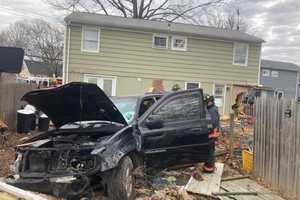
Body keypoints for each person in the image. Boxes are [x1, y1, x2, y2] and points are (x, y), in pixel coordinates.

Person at [203, 94, 220, 173]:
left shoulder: (212, 110)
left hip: (212, 133)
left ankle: (209, 168)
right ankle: (208, 166)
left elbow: (213, 123)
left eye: (207, 102)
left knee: (210, 150)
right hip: (212, 133)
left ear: (211, 101)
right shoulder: (210, 108)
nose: (206, 103)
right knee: (209, 149)